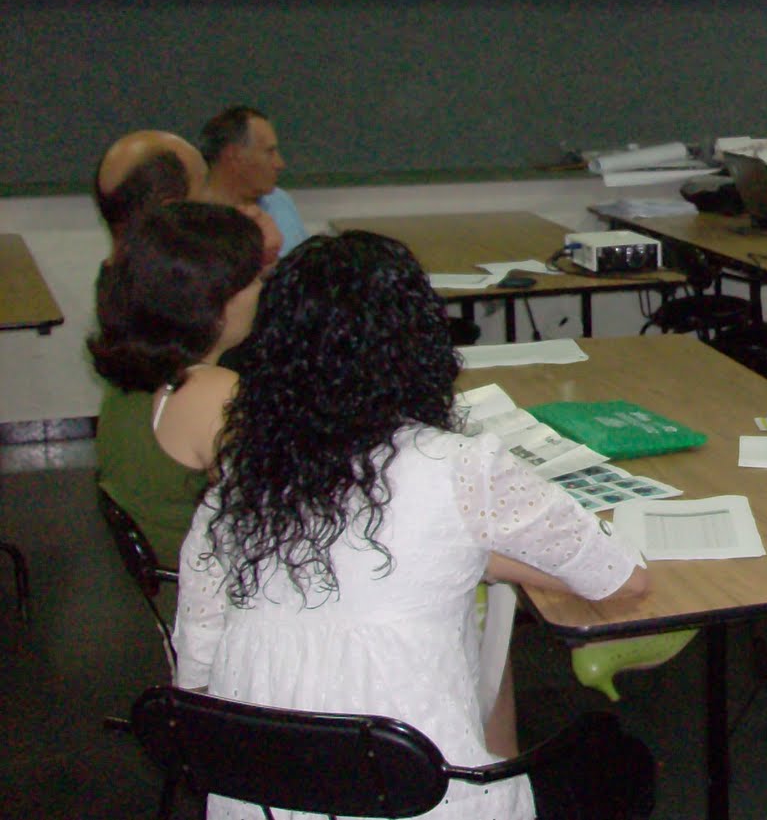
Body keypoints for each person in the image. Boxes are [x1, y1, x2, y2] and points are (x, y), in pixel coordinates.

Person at [174, 232, 650, 820]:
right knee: (620, 759)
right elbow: (620, 578)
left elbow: (195, 671)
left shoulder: (238, 486)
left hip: (260, 802)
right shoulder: (456, 465)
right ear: (419, 346)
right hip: (423, 798)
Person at [88, 202, 265, 567]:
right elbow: (266, 517)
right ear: (212, 303)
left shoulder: (133, 369)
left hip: (164, 579)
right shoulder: (212, 391)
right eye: (252, 279)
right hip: (210, 594)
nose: (262, 288)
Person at [199, 105, 308, 255]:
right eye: (269, 152)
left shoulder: (280, 201)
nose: (280, 164)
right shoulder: (193, 222)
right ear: (235, 155)